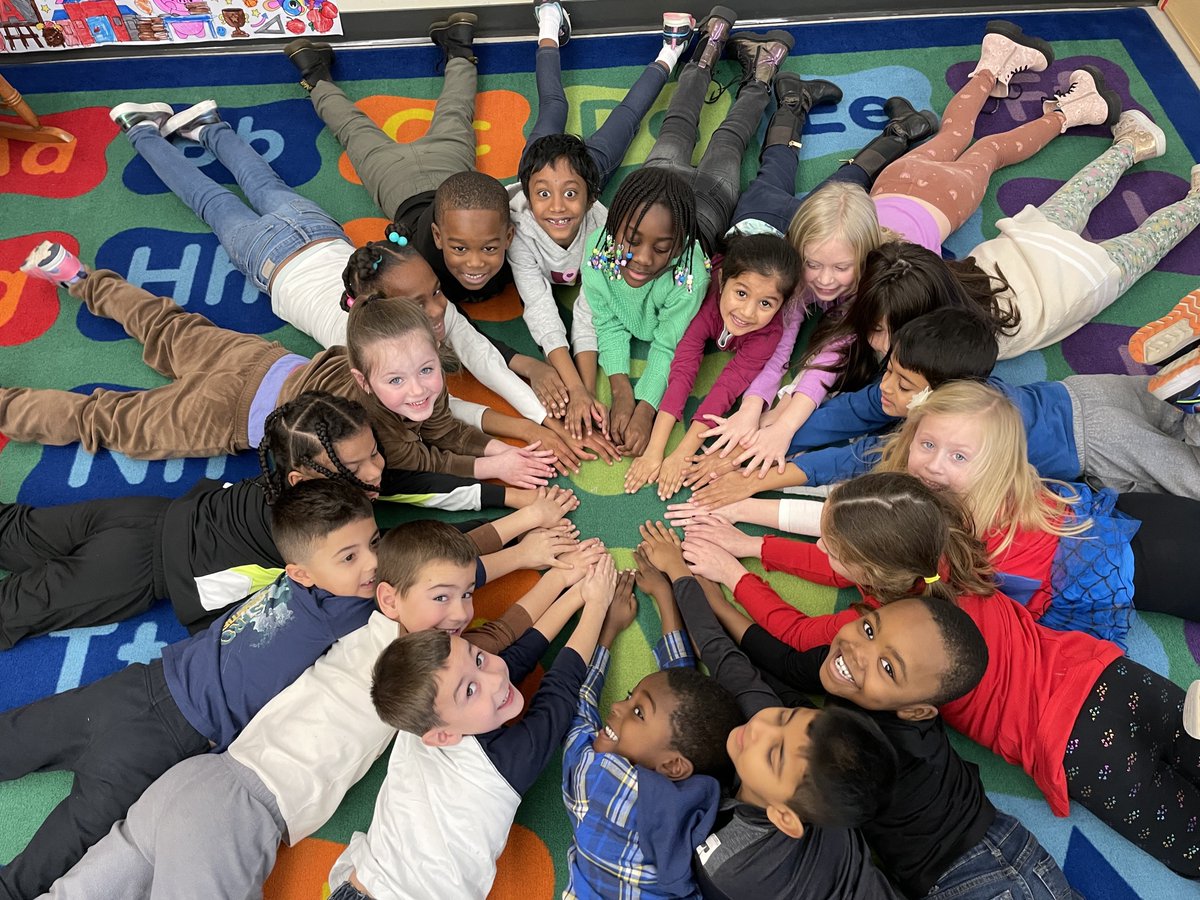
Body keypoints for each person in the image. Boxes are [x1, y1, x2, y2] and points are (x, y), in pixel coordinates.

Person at [38, 527, 609, 899]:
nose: (460, 615)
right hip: (241, 809)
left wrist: (556, 574)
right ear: (393, 598)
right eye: (445, 602)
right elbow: (497, 635)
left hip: (202, 775)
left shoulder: (397, 646)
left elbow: (482, 623)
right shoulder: (411, 669)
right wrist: (549, 571)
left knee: (81, 890)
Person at [682, 471, 1200, 879]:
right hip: (1106, 674)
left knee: (1191, 841)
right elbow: (848, 566)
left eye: (831, 547)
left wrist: (735, 575)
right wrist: (752, 546)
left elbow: (794, 633)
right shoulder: (938, 553)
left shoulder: (879, 633)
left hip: (1073, 742)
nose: (822, 552)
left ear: (875, 579)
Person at [95, 100, 596, 475]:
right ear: (381, 314)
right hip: (268, 257)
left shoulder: (419, 295)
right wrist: (529, 429)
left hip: (317, 230)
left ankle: (209, 126)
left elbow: (479, 353)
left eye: (435, 293)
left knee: (263, 182)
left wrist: (535, 415)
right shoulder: (360, 342)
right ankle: (146, 131)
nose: (439, 308)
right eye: (421, 304)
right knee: (210, 200)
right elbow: (443, 408)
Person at [0, 479, 380, 898]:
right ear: (299, 572)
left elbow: (432, 576)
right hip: (144, 684)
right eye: (350, 556)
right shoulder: (337, 600)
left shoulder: (351, 603)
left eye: (375, 544)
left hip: (172, 737)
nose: (373, 564)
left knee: (54, 855)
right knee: (18, 734)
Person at [0, 389, 544, 649]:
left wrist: (506, 495)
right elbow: (420, 562)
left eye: (374, 452)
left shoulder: (309, 478)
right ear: (304, 481)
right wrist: (519, 536)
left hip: (143, 514)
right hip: (143, 568)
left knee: (19, 531)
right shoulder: (316, 535)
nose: (379, 470)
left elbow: (411, 485)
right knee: (20, 606)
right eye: (361, 465)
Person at [8, 250, 556, 487]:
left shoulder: (386, 361)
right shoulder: (376, 413)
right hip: (222, 412)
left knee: (167, 326)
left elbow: (438, 423)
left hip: (256, 359)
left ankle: (81, 279)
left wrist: (501, 449)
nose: (420, 390)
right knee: (111, 421)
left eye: (428, 372)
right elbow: (421, 455)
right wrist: (492, 466)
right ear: (363, 380)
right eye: (398, 381)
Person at [326, 552, 627, 899]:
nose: (495, 678)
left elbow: (513, 659)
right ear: (442, 737)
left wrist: (576, 594)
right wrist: (597, 604)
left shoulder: (426, 715)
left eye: (478, 656)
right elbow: (558, 692)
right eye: (470, 689)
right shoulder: (503, 765)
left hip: (363, 882)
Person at [631, 523, 903, 899]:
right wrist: (677, 575)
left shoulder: (727, 866)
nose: (760, 726)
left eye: (774, 753)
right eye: (785, 717)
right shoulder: (781, 739)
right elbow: (722, 656)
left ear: (783, 817)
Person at [508, 3, 695, 435]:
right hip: (546, 157)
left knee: (626, 119)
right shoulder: (519, 230)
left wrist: (584, 392)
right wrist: (579, 393)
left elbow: (591, 312)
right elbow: (541, 310)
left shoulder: (602, 227)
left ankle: (670, 51)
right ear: (530, 193)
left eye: (570, 196)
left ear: (591, 196)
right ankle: (550, 23)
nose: (556, 207)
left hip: (587, 162)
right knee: (552, 104)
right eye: (544, 197)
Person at [285, 16, 519, 305]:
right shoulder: (423, 261)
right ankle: (314, 73)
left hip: (439, 171)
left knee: (453, 112)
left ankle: (459, 45)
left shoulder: (502, 245)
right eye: (460, 249)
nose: (474, 264)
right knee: (356, 130)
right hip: (402, 180)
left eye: (487, 249)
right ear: (437, 237)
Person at [560, 556, 744, 898]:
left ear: (674, 765)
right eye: (631, 698)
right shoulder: (706, 791)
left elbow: (578, 707)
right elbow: (683, 702)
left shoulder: (599, 782)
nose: (617, 707)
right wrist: (664, 596)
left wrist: (608, 632)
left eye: (638, 712)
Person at [690, 305, 1001, 506]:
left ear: (941, 399)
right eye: (888, 370)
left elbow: (861, 457)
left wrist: (752, 480)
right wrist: (751, 447)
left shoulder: (963, 430)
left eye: (904, 385)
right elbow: (846, 413)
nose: (885, 386)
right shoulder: (906, 381)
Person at [624, 233, 801, 499]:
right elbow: (683, 369)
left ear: (781, 305)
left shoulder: (769, 334)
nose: (748, 312)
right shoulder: (706, 297)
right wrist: (654, 449)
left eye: (766, 303)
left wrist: (682, 454)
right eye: (741, 293)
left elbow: (725, 389)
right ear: (721, 281)